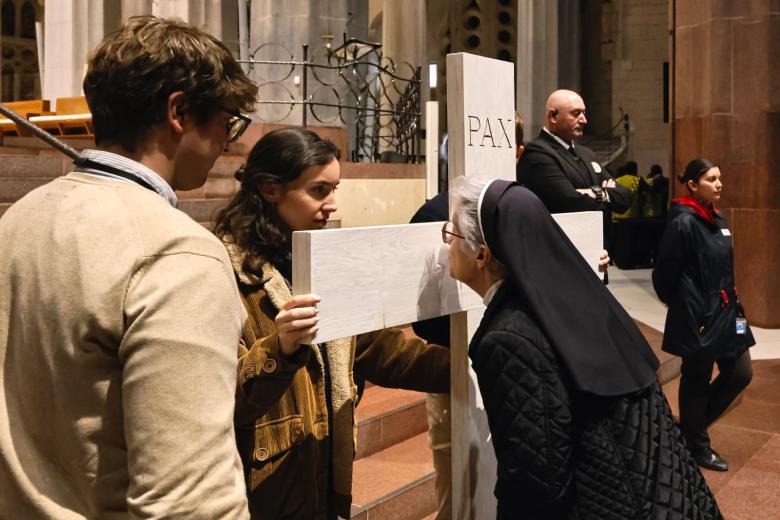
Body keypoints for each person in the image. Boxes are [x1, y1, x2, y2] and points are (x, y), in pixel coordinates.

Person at [0, 16, 257, 518]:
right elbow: (189, 503)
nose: (228, 142)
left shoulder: (21, 216)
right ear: (179, 111)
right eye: (228, 122)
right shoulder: (178, 253)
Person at [444, 176, 723, 519]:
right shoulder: (577, 296)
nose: (447, 245)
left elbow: (535, 481)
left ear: (482, 255)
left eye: (451, 234)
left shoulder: (508, 340)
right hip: (672, 496)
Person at [213, 127, 450, 520]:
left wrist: (476, 366)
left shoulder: (322, 258)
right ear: (271, 190)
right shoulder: (226, 271)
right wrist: (280, 348)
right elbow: (218, 397)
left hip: (320, 476)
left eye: (335, 189)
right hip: (259, 491)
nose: (333, 205)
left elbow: (380, 350)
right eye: (319, 191)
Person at [652, 158, 754, 472]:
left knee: (741, 372)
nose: (719, 184)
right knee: (696, 377)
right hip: (699, 314)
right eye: (712, 179)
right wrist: (686, 304)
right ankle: (697, 445)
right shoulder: (683, 222)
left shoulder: (718, 218)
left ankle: (688, 434)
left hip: (730, 310)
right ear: (693, 185)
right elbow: (664, 275)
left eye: (720, 178)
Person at [516, 89, 631, 217]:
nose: (584, 120)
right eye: (576, 114)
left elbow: (625, 197)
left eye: (584, 113)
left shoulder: (587, 154)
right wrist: (607, 194)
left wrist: (597, 193)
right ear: (553, 116)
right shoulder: (536, 154)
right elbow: (571, 202)